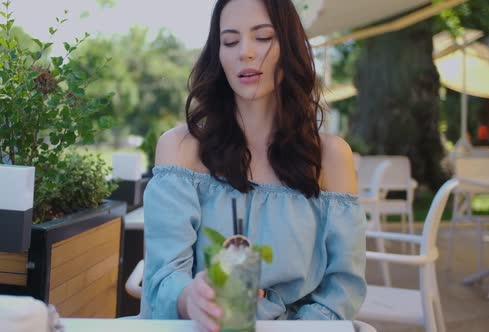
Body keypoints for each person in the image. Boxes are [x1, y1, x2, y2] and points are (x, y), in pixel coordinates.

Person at [139, 0, 366, 330]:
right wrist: (192, 298)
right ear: (218, 55)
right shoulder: (181, 149)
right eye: (230, 41)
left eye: (262, 37)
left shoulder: (331, 157)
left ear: (289, 48)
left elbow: (343, 289)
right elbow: (163, 277)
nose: (244, 52)